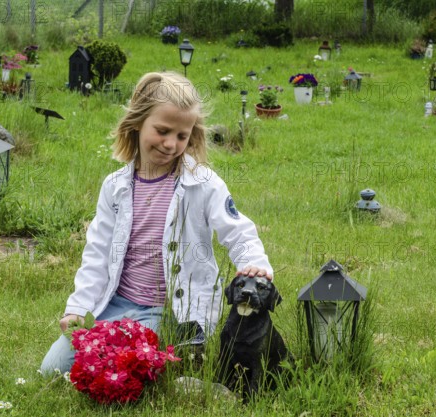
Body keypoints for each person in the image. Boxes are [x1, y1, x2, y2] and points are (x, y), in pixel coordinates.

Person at [40, 72, 273, 374]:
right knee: (54, 369)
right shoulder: (115, 187)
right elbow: (97, 254)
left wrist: (254, 263)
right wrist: (77, 310)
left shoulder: (202, 184)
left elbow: (236, 229)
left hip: (168, 311)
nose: (170, 144)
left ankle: (174, 348)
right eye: (162, 131)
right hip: (116, 305)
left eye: (181, 136)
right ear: (137, 122)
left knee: (135, 368)